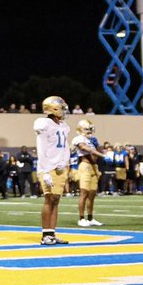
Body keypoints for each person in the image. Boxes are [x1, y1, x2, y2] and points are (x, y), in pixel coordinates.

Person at [34, 96, 71, 245]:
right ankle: (45, 234)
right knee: (49, 199)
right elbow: (41, 149)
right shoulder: (44, 124)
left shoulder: (63, 126)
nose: (64, 111)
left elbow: (66, 146)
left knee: (56, 200)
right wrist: (46, 171)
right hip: (48, 167)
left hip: (60, 167)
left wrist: (65, 161)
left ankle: (52, 233)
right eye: (62, 108)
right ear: (54, 109)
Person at [71, 119, 103, 226]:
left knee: (92, 194)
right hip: (85, 166)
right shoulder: (78, 139)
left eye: (90, 128)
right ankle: (81, 218)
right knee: (84, 193)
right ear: (81, 129)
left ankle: (90, 218)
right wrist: (101, 154)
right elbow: (85, 148)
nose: (89, 131)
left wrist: (99, 147)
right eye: (87, 129)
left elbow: (100, 151)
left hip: (94, 166)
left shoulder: (92, 139)